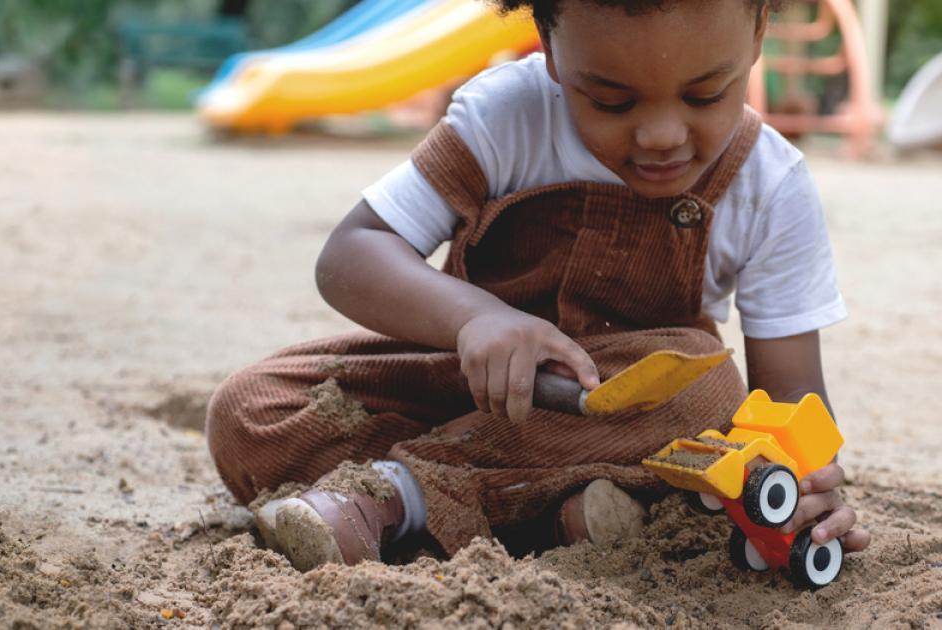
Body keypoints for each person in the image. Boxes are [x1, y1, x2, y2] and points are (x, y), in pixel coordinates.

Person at [206, 0, 872, 570]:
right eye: (609, 100)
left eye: (705, 95)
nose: (662, 134)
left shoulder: (770, 185)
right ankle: (541, 518)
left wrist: (812, 492)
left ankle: (395, 496)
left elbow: (788, 393)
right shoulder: (506, 116)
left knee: (709, 385)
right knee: (250, 406)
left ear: (757, 31)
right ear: (551, 48)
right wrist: (475, 319)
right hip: (466, 390)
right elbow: (351, 254)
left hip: (627, 418)